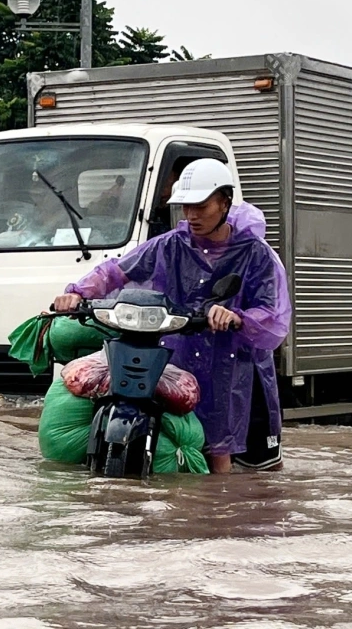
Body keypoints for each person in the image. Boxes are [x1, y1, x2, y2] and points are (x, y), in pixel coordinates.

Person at [53, 158, 291, 474]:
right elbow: (117, 271)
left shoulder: (255, 254)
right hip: (178, 357)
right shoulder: (170, 245)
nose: (191, 215)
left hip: (231, 367)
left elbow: (272, 314)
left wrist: (236, 317)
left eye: (200, 206)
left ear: (224, 202)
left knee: (220, 451)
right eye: (185, 207)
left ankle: (221, 513)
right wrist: (77, 292)